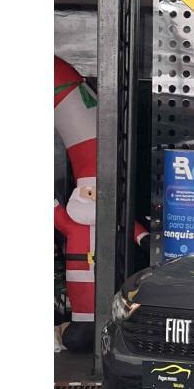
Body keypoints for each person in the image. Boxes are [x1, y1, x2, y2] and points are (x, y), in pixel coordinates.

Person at [54, 56, 148, 353]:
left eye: (97, 193)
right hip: (81, 297)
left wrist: (146, 239)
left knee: (109, 331)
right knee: (79, 337)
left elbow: (133, 229)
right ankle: (66, 330)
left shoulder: (110, 216)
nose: (92, 196)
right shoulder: (75, 223)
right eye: (88, 192)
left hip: (108, 290)